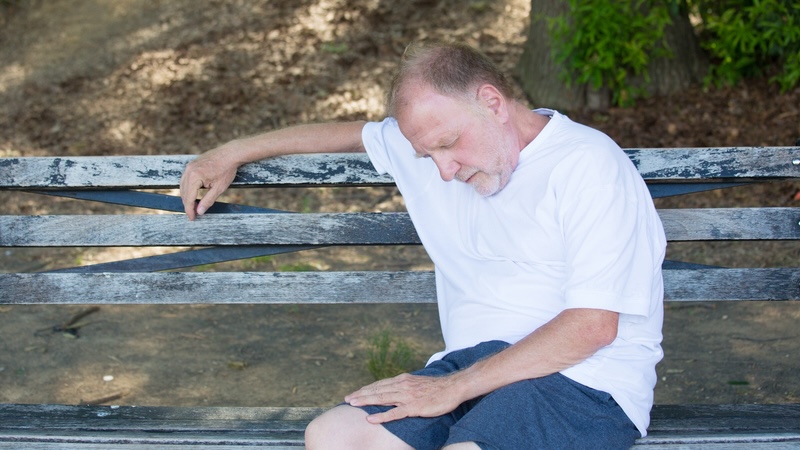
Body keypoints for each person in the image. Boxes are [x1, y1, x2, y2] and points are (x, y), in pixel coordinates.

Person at [180, 41, 667, 450]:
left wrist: (453, 388)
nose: (443, 170)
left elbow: (592, 328)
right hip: (471, 366)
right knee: (333, 436)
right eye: (425, 152)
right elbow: (347, 135)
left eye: (449, 143)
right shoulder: (431, 142)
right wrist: (231, 152)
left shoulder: (588, 166)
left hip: (586, 380)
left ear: (493, 103)